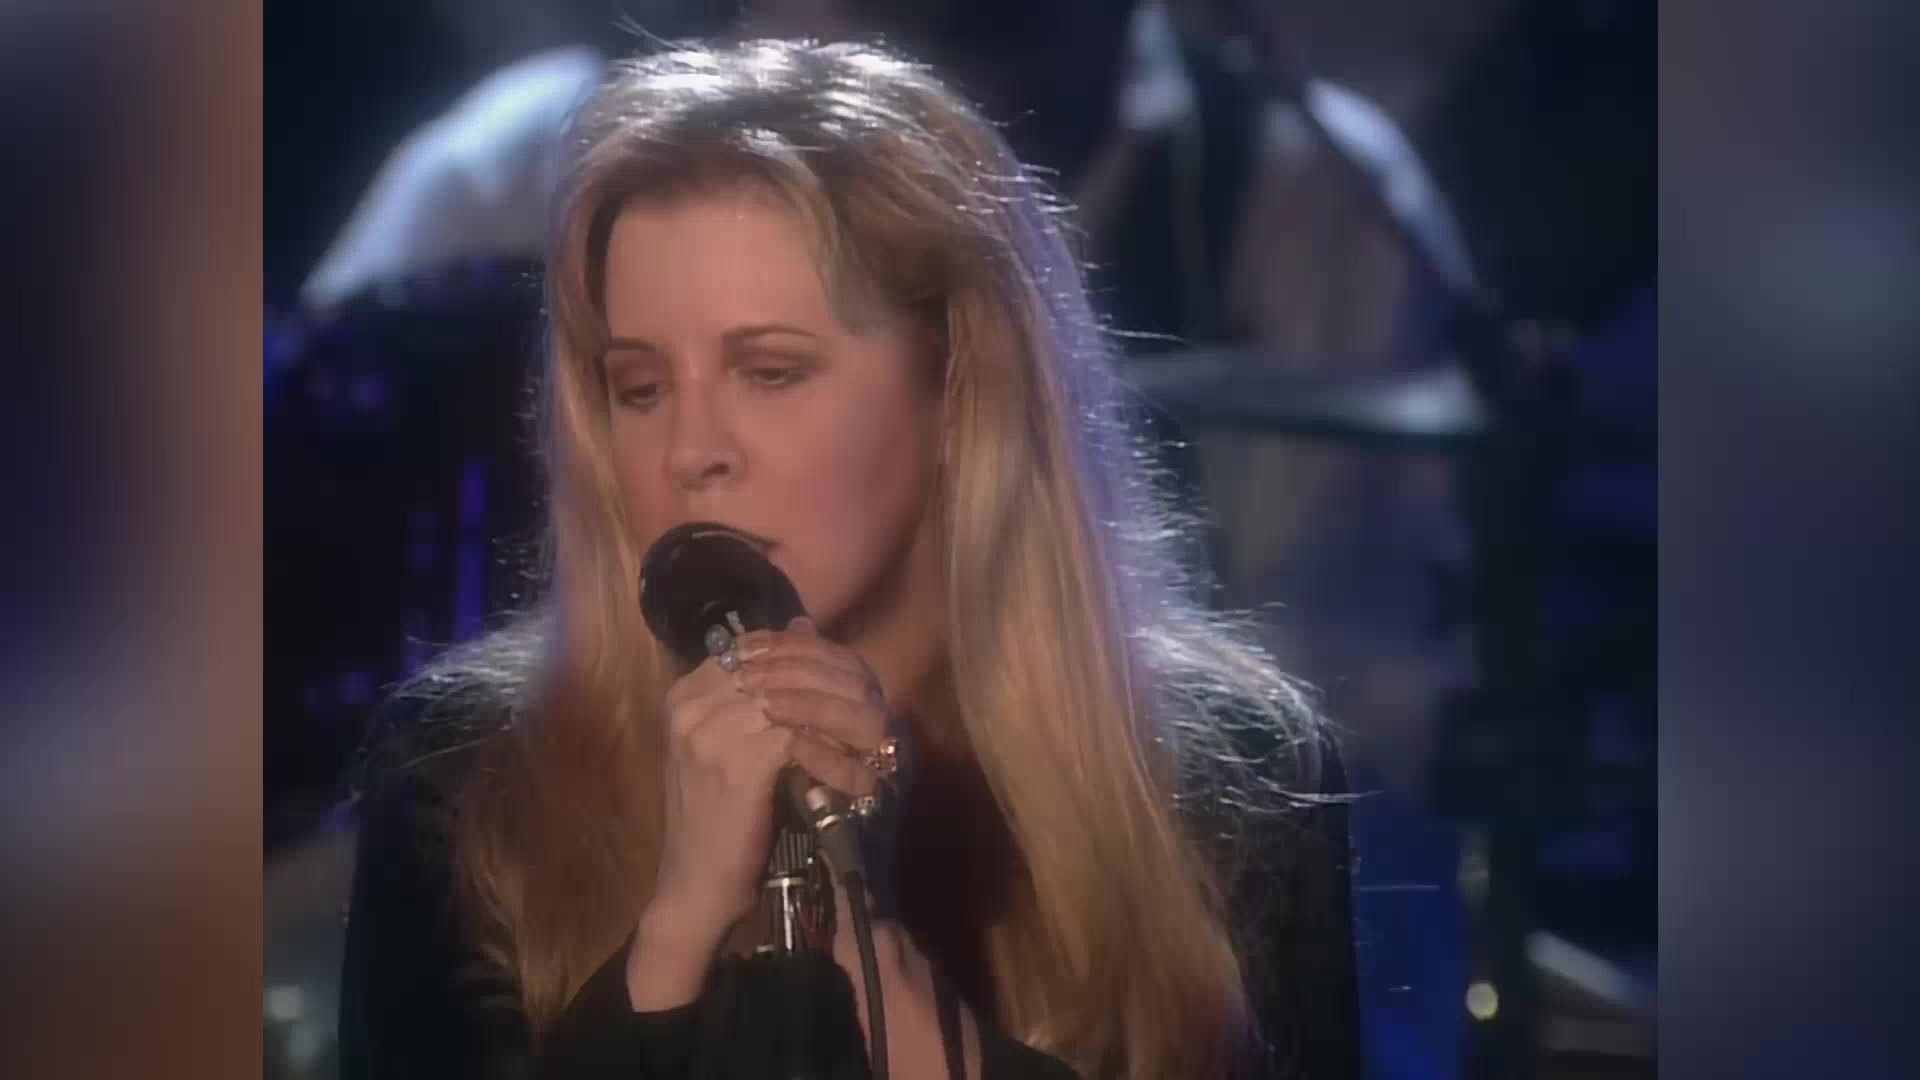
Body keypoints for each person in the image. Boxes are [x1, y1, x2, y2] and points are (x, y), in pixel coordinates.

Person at [338, 38, 1360, 1079]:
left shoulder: (1227, 780)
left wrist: (902, 994)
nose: (691, 451)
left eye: (771, 373)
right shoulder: (469, 777)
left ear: (957, 391)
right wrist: (678, 937)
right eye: (639, 388)